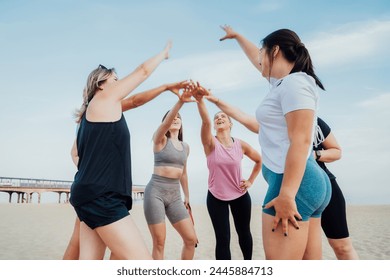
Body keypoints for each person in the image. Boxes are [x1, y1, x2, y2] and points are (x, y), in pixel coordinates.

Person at [201, 25, 332, 260]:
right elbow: (257, 62)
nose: (259, 60)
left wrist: (288, 194)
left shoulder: (295, 84)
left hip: (292, 184)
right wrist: (239, 36)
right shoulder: (283, 83)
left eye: (263, 53)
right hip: (306, 183)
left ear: (275, 51)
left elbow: (300, 141)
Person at [68, 41, 179, 260]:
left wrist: (165, 87)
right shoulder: (103, 100)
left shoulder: (95, 112)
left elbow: (136, 101)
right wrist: (163, 54)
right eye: (115, 80)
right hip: (102, 198)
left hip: (91, 195)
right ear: (100, 84)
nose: (120, 84)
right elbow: (143, 71)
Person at [190, 82, 261, 260]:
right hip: (216, 197)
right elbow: (205, 121)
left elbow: (259, 160)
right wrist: (200, 101)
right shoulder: (210, 143)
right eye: (217, 118)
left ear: (230, 123)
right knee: (223, 238)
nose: (219, 118)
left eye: (223, 117)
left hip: (240, 194)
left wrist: (251, 180)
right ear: (214, 125)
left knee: (244, 233)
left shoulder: (241, 145)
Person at [143, 89, 198, 260]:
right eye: (172, 117)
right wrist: (180, 102)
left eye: (178, 118)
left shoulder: (186, 147)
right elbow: (166, 123)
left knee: (191, 239)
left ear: (182, 124)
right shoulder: (160, 140)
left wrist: (187, 196)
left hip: (175, 196)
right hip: (155, 193)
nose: (175, 119)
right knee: (159, 243)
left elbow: (184, 173)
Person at [313, 117, 359, 259]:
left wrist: (315, 154)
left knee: (342, 247)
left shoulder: (314, 121)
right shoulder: (272, 119)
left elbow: (336, 151)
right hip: (290, 191)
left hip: (327, 185)